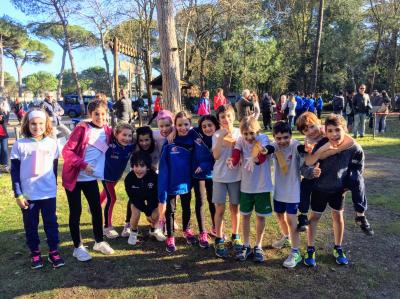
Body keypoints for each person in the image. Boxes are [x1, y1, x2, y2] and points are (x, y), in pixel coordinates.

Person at [303, 114, 367, 266]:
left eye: (337, 130)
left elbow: (358, 168)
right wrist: (312, 172)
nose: (334, 134)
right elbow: (307, 164)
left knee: (338, 217)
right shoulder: (320, 144)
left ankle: (338, 247)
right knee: (314, 218)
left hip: (338, 190)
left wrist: (347, 184)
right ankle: (310, 248)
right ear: (325, 131)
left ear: (345, 129)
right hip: (320, 188)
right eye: (330, 130)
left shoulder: (353, 147)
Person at [10, 109, 65, 269]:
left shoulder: (52, 143)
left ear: (46, 124)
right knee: (31, 225)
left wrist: (53, 188)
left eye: (41, 123)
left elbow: (54, 169)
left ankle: (53, 251)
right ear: (27, 124)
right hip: (28, 194)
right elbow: (14, 172)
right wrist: (18, 194)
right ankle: (35, 252)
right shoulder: (20, 144)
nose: (37, 127)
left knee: (51, 223)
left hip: (48, 193)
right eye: (33, 123)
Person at [62, 99, 114, 262]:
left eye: (103, 114)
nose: (100, 117)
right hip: (74, 178)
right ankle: (78, 247)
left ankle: (99, 241)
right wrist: (83, 165)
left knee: (97, 210)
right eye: (96, 114)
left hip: (91, 179)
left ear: (107, 114)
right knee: (75, 211)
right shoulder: (82, 129)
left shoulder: (107, 130)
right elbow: (67, 151)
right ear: (90, 115)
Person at [228, 116, 273, 263]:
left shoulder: (263, 139)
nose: (248, 137)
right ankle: (246, 245)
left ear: (257, 131)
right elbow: (235, 153)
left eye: (251, 133)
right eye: (245, 133)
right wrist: (232, 161)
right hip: (246, 186)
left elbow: (262, 157)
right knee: (245, 216)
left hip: (262, 186)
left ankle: (258, 246)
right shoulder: (241, 140)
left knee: (260, 216)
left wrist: (256, 158)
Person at [158, 111, 197, 253]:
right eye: (179, 125)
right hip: (171, 182)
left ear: (190, 125)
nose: (183, 128)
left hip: (186, 181)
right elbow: (163, 165)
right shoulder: (169, 141)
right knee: (171, 210)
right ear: (175, 125)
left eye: (186, 124)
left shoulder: (193, 137)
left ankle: (187, 229)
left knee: (187, 207)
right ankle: (170, 236)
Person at [270, 121, 303, 268]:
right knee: (279, 215)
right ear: (274, 137)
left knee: (292, 220)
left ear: (291, 135)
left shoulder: (295, 145)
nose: (282, 141)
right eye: (279, 138)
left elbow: (303, 148)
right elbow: (267, 149)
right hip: (278, 189)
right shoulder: (274, 146)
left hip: (293, 190)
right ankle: (286, 236)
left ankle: (295, 252)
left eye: (285, 137)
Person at [212, 104, 242, 258]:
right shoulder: (216, 135)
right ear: (219, 119)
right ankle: (219, 238)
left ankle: (235, 235)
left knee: (234, 208)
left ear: (233, 117)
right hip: (219, 177)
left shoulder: (239, 133)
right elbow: (216, 156)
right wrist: (222, 137)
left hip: (236, 177)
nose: (226, 119)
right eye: (223, 117)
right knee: (220, 209)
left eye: (229, 116)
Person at [100, 123, 135, 239]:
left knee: (106, 193)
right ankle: (107, 227)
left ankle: (94, 206)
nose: (127, 138)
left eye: (129, 136)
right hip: (106, 176)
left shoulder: (131, 146)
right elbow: (101, 133)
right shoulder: (109, 145)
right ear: (116, 134)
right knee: (112, 198)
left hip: (116, 177)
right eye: (124, 135)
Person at [125, 151, 166, 245]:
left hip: (151, 197)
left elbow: (155, 197)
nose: (138, 169)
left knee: (156, 213)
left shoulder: (154, 177)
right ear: (132, 166)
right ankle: (133, 232)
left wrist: (150, 211)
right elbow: (133, 198)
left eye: (142, 166)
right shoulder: (129, 178)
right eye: (136, 166)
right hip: (137, 198)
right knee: (135, 214)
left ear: (147, 167)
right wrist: (146, 212)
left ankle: (154, 229)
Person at [192, 115, 219, 247]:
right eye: (204, 126)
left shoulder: (219, 136)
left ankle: (216, 227)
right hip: (198, 175)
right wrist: (174, 131)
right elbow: (183, 129)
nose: (207, 128)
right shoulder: (196, 134)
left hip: (213, 174)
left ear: (215, 125)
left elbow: (216, 157)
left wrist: (205, 165)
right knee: (200, 202)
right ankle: (202, 231)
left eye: (210, 125)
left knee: (213, 202)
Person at [0, 106, 9, 173]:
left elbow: (4, 120)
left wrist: (2, 118)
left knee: (5, 149)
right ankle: (1, 166)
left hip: (3, 135)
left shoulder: (2, 112)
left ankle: (5, 166)